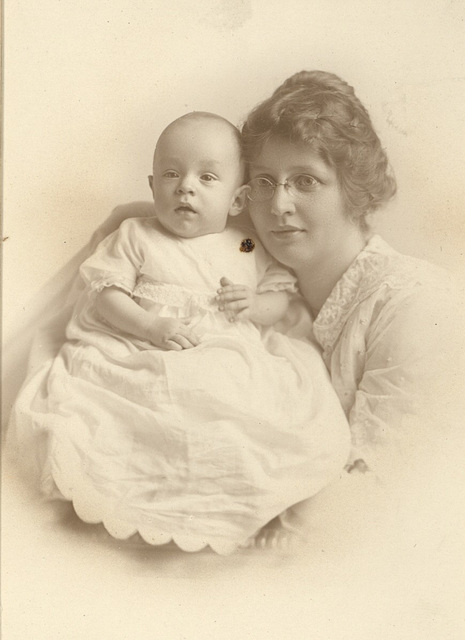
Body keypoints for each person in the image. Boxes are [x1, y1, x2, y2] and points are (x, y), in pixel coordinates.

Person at [8, 111, 350, 555]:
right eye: (171, 173)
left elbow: (279, 295)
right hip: (137, 347)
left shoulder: (244, 243)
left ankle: (229, 509)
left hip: (221, 351)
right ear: (152, 186)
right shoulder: (136, 234)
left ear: (237, 200)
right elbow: (105, 293)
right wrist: (149, 324)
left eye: (207, 177)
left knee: (236, 409)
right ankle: (118, 508)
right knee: (103, 414)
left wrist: (254, 304)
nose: (185, 186)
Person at [239, 70, 463, 547]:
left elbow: (386, 487)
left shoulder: (415, 302)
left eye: (305, 181)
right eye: (264, 181)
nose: (278, 204)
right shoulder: (261, 295)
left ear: (353, 189)